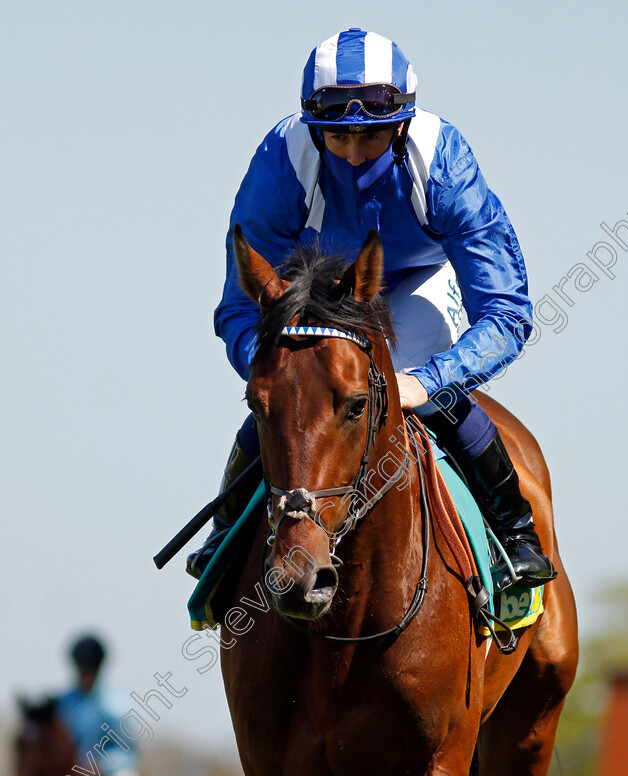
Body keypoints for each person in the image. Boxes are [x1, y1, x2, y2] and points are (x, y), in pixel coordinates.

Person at [190, 28, 557, 592]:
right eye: (337, 139)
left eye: (373, 137)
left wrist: (430, 380)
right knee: (293, 400)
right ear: (315, 128)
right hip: (318, 294)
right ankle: (226, 532)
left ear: (403, 122)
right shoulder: (282, 161)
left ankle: (515, 532)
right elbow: (239, 307)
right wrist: (271, 367)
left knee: (412, 392)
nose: (356, 156)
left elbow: (506, 311)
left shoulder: (443, 163)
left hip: (415, 281)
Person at [57, 635, 140, 776]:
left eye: (89, 671)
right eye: (81, 670)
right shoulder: (64, 702)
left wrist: (102, 767)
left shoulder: (115, 705)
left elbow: (128, 750)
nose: (85, 676)